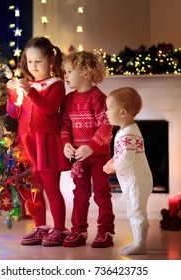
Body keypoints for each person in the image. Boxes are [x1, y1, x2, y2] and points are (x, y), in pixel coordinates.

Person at [6, 37, 71, 246]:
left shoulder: (56, 85)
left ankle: (59, 228)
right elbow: (15, 113)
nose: (33, 66)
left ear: (51, 60)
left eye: (38, 61)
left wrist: (29, 91)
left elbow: (49, 108)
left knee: (51, 188)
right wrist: (11, 93)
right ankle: (40, 227)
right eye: (30, 61)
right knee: (34, 188)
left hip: (47, 143)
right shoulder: (27, 85)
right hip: (27, 144)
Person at [60, 51, 115, 248]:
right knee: (80, 194)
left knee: (101, 193)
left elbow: (106, 127)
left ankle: (105, 230)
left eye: (68, 71)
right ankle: (79, 230)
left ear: (85, 71)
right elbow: (64, 126)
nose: (65, 75)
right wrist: (66, 144)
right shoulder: (68, 99)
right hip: (78, 157)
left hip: (99, 156)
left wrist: (90, 147)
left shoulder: (98, 98)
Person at [103, 87, 153, 255]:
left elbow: (127, 159)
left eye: (109, 108)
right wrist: (112, 160)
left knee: (137, 211)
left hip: (136, 180)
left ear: (122, 112)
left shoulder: (128, 134)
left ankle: (141, 244)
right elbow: (122, 154)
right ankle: (137, 241)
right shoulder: (126, 131)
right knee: (133, 210)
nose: (106, 112)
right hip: (132, 179)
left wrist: (112, 166)